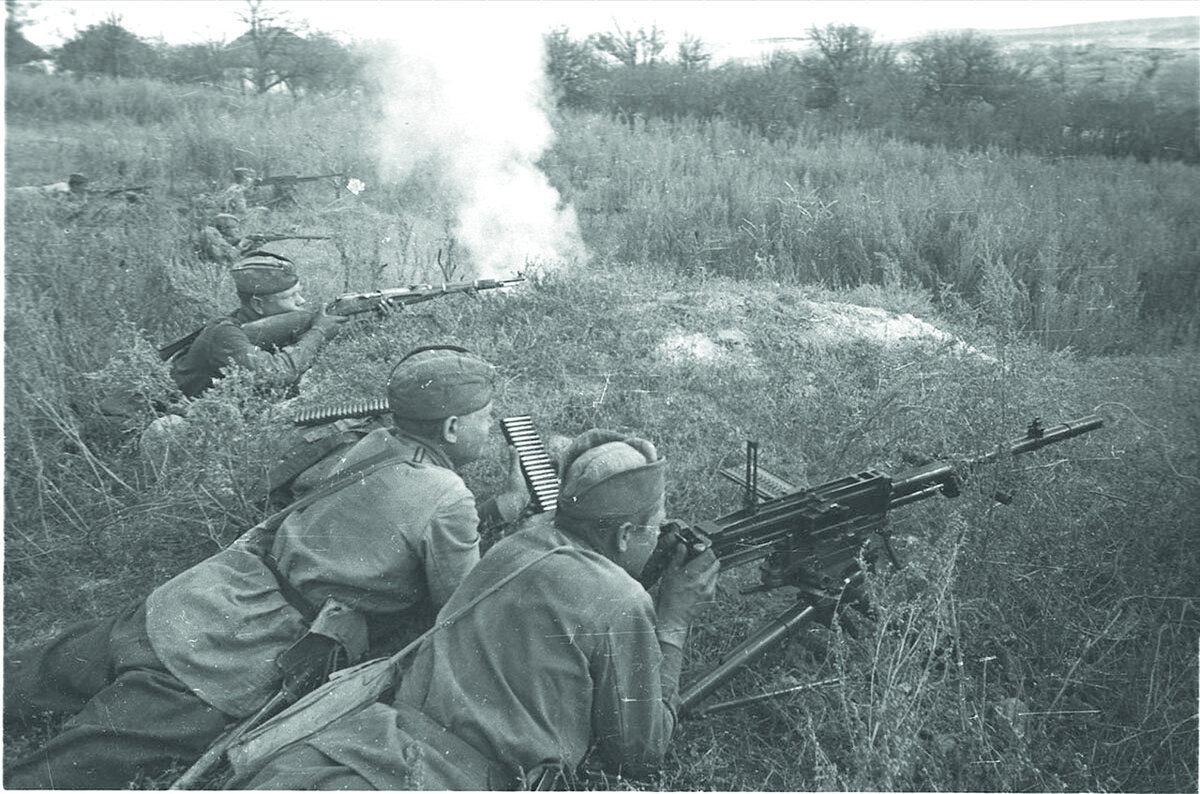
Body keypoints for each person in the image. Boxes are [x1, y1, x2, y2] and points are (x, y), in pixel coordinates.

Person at [4, 346, 532, 789]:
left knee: (32, 674)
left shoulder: (373, 443)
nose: (491, 427)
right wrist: (517, 529)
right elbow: (462, 604)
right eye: (487, 417)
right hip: (229, 657)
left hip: (195, 599)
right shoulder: (446, 495)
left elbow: (398, 520)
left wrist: (497, 510)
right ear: (454, 426)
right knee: (61, 771)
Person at [235, 427, 721, 790]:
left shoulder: (518, 544)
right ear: (623, 536)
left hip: (363, 747)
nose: (661, 534)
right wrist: (673, 620)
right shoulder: (621, 601)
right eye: (655, 526)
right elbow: (637, 754)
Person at [168, 251, 345, 398]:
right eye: (289, 296)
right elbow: (277, 372)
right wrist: (319, 331)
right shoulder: (224, 334)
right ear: (258, 304)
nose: (301, 300)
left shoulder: (265, 329)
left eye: (298, 293)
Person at [9, 172, 89, 199]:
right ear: (75, 184)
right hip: (31, 193)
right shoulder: (64, 187)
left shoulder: (66, 187)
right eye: (83, 186)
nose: (84, 188)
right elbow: (62, 193)